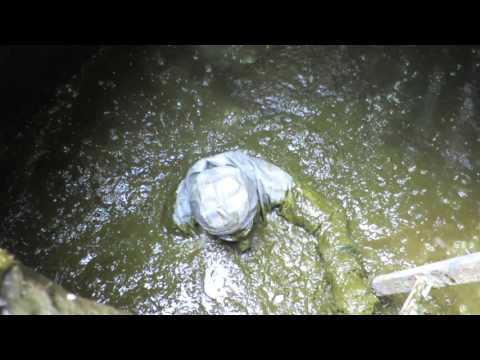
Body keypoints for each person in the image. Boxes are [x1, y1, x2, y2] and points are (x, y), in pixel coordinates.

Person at [173, 150, 378, 314]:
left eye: (243, 228)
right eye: (229, 235)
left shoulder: (277, 186)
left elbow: (328, 222)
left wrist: (349, 284)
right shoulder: (184, 215)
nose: (239, 238)